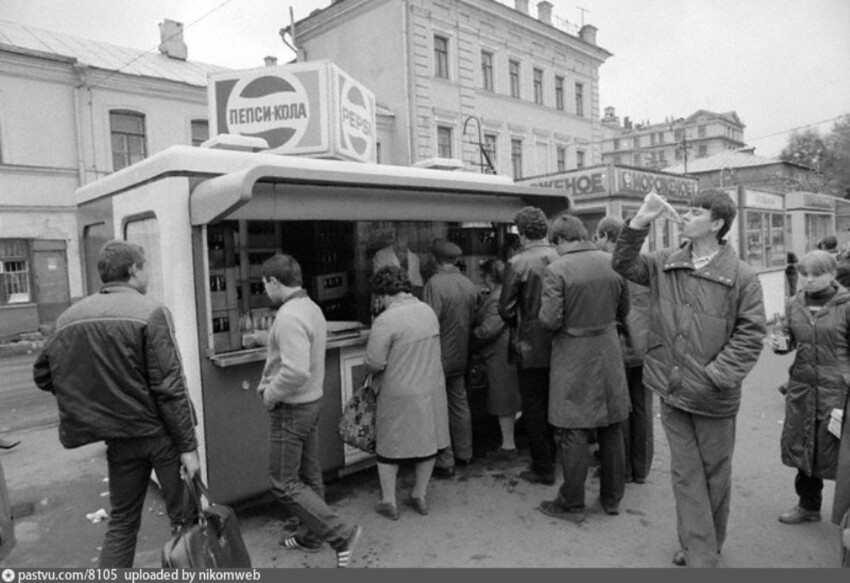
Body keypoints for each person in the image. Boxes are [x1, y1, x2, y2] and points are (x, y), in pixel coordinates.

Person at [612, 190, 766, 568]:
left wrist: (717, 375)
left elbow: (751, 335)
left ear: (716, 223)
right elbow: (622, 263)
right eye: (687, 210)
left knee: (715, 476)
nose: (686, 216)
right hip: (673, 390)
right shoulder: (666, 262)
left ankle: (705, 544)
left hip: (714, 395)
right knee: (685, 475)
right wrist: (640, 220)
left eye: (696, 212)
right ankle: (701, 553)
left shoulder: (742, 276)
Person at [32, 240, 200, 567]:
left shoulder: (68, 318)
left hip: (120, 441)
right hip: (161, 437)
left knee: (122, 522)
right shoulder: (151, 312)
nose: (147, 272)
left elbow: (44, 376)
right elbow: (170, 387)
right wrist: (189, 448)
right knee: (185, 522)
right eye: (145, 265)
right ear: (134, 270)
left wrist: (97, 395)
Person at [257, 254, 362, 568]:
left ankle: (341, 534)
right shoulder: (311, 308)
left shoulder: (288, 316)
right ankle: (310, 535)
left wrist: (270, 395)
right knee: (309, 474)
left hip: (291, 407)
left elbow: (295, 371)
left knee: (283, 482)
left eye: (264, 284)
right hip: (311, 403)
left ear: (274, 281)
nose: (265, 290)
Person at [538, 215, 630, 523]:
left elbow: (550, 320)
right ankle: (612, 498)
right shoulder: (613, 262)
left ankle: (572, 502)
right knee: (612, 425)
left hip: (574, 354)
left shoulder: (556, 270)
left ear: (562, 240)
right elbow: (624, 310)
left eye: (556, 244)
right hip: (608, 349)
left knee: (573, 428)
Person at [770, 251, 850, 526]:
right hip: (803, 387)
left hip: (839, 390)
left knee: (843, 454)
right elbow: (788, 340)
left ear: (833, 274)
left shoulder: (847, 304)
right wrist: (781, 342)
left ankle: (846, 515)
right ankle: (808, 506)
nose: (809, 280)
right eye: (805, 274)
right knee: (804, 446)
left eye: (817, 274)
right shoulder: (794, 304)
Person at [365, 266, 450, 520]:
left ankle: (389, 501)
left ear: (382, 294)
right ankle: (419, 494)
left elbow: (374, 362)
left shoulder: (386, 320)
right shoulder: (427, 311)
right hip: (430, 386)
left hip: (398, 389)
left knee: (389, 447)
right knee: (427, 443)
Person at [499, 207, 559, 486]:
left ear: (522, 233)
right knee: (555, 404)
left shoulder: (518, 262)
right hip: (560, 344)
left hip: (529, 345)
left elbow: (506, 309)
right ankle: (555, 458)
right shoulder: (561, 256)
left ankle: (542, 467)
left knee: (533, 407)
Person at [595, 216, 654, 484]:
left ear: (607, 237)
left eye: (598, 236)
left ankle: (625, 469)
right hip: (647, 346)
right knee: (642, 407)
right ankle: (641, 469)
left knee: (622, 410)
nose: (596, 241)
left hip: (620, 346)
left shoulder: (608, 266)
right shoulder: (646, 264)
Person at [424, 239, 479, 478]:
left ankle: (445, 460)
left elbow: (428, 322)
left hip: (438, 356)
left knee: (438, 408)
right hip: (461, 354)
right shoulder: (468, 284)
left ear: (435, 259)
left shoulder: (434, 285)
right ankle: (465, 453)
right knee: (459, 403)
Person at [472, 259, 521, 458]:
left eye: (483, 275)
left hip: (500, 353)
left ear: (489, 276)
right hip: (504, 352)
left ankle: (508, 446)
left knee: (503, 398)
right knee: (507, 396)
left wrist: (470, 335)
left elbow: (488, 330)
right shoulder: (501, 294)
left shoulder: (498, 297)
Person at [372, 227, 423, 296]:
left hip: (407, 300)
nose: (401, 238)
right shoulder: (381, 256)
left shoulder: (414, 259)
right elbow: (379, 282)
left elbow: (417, 284)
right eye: (398, 235)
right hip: (387, 299)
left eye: (404, 235)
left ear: (409, 238)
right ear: (395, 237)